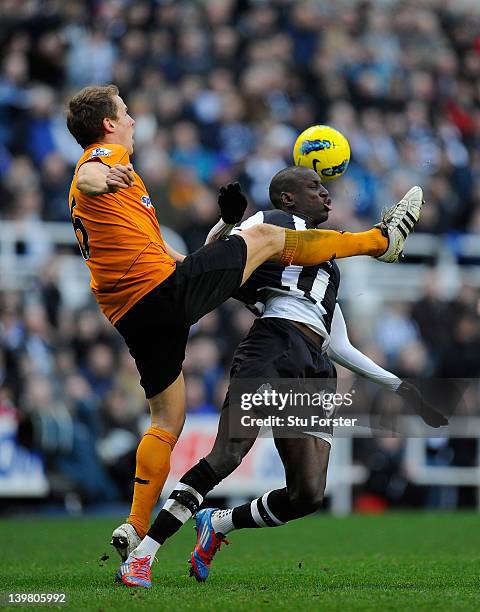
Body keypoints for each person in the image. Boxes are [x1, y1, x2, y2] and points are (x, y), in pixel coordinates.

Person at [66, 84, 421, 566]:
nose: (131, 118)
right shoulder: (106, 159)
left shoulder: (127, 187)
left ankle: (136, 526)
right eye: (125, 112)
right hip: (185, 306)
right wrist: (102, 178)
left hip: (138, 313)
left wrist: (219, 237)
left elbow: (186, 264)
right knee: (270, 238)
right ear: (108, 123)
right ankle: (381, 241)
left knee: (170, 421)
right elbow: (87, 174)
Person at [116, 167, 441, 589]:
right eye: (315, 189)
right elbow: (213, 260)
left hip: (315, 365)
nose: (327, 195)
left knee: (307, 493)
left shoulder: (323, 255)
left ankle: (219, 524)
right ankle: (143, 556)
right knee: (228, 455)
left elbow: (336, 342)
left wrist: (402, 387)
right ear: (288, 199)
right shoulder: (274, 224)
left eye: (326, 189)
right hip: (273, 346)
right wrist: (229, 221)